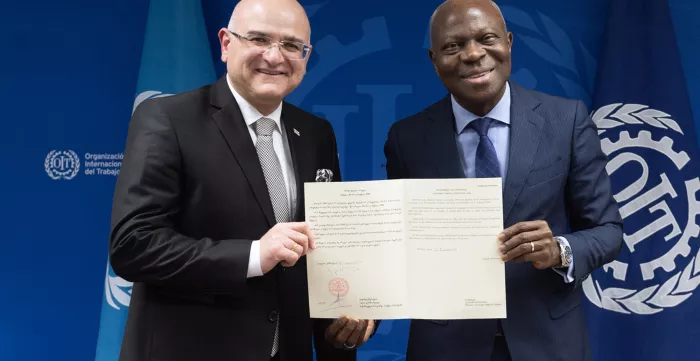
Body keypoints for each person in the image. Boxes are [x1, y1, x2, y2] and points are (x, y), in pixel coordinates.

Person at [109, 0, 375, 360]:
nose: (275, 56)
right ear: (225, 44)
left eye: (292, 45)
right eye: (259, 39)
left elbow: (323, 249)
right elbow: (133, 246)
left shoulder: (316, 134)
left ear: (306, 56)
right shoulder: (167, 119)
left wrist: (346, 317)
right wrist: (253, 255)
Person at [383, 1, 623, 360]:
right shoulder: (407, 139)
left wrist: (560, 250)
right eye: (453, 46)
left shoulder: (567, 121)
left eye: (487, 38)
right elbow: (396, 244)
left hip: (548, 342)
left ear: (508, 42)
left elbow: (607, 230)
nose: (473, 54)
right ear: (434, 60)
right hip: (445, 345)